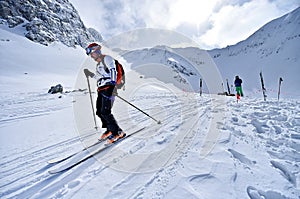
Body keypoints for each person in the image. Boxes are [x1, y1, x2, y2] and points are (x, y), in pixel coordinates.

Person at [84, 43, 125, 144]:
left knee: (106, 112)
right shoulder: (99, 65)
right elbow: (99, 77)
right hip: (101, 89)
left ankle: (118, 132)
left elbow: (113, 70)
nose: (91, 56)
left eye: (91, 53)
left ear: (97, 51)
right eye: (90, 54)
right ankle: (109, 129)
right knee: (99, 111)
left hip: (109, 88)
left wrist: (112, 85)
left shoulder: (107, 59)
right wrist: (90, 74)